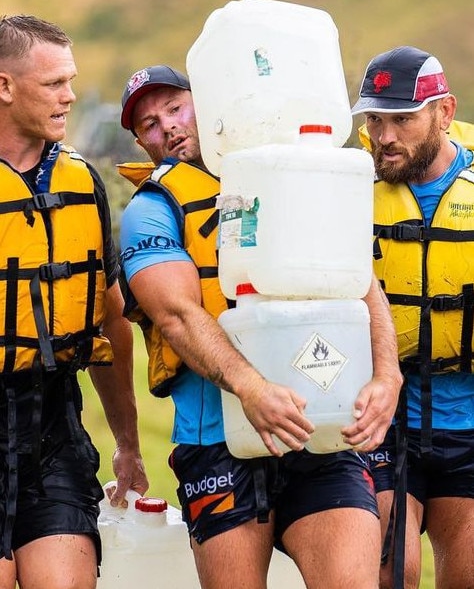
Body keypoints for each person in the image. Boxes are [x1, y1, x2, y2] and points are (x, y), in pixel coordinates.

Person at [118, 63, 403, 589]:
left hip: (318, 430)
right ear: (141, 143)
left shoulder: (290, 178)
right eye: (150, 125)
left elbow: (359, 280)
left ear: (208, 101)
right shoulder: (150, 211)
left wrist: (388, 375)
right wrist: (250, 388)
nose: (169, 127)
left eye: (176, 108)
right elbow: (177, 315)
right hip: (216, 441)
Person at [0, 15, 148, 589]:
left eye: (72, 81)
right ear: (5, 87)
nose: (70, 96)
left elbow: (111, 318)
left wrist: (129, 446)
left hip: (56, 428)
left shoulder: (83, 181)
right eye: (54, 83)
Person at [352, 45, 474, 589]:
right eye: (375, 119)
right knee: (390, 571)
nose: (385, 136)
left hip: (468, 420)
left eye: (402, 119)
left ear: (444, 113)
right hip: (384, 422)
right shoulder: (348, 190)